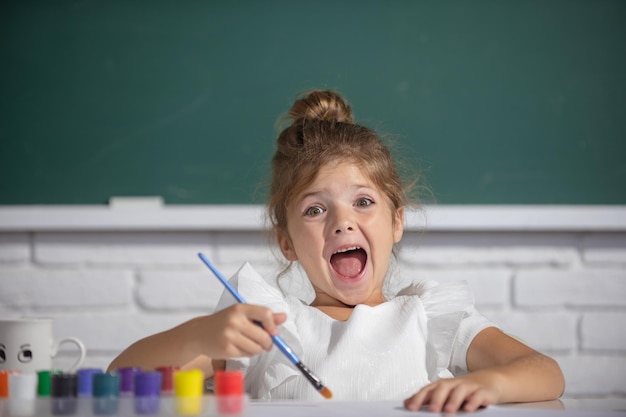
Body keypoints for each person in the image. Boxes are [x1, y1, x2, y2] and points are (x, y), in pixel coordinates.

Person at [108, 90, 564, 412]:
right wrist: (197, 336)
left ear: (397, 221)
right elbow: (118, 376)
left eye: (363, 202)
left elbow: (545, 373)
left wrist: (490, 383)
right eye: (314, 210)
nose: (343, 221)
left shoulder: (430, 317)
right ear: (286, 241)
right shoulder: (266, 325)